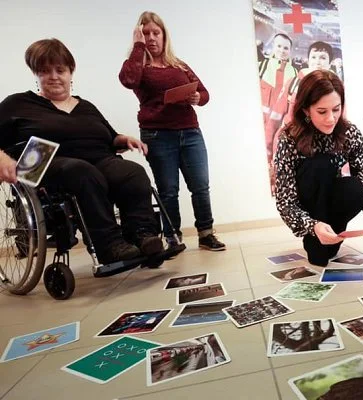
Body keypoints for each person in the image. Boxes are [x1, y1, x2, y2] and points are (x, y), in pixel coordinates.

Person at [0, 38, 163, 264]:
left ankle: (142, 236)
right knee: (81, 171)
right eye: (45, 71)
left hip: (97, 160)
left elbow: (110, 136)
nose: (54, 76)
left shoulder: (85, 106)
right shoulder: (17, 103)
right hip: (41, 162)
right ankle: (108, 245)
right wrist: (2, 158)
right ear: (36, 74)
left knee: (132, 172)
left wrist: (123, 139)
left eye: (60, 70)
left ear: (70, 73)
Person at [119, 11, 225, 251]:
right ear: (138, 37)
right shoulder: (137, 66)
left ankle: (206, 234)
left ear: (165, 35)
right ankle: (172, 237)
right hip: (157, 136)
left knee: (200, 186)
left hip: (190, 133)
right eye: (145, 34)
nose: (152, 38)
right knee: (168, 191)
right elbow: (128, 80)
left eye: (156, 33)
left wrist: (198, 97)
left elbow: (204, 93)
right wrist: (137, 47)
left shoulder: (178, 64)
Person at [274, 70, 363, 267]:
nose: (331, 119)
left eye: (336, 109)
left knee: (354, 186)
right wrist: (313, 225)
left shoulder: (349, 132)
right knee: (320, 164)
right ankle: (318, 235)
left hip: (332, 202)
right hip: (309, 206)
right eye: (322, 111)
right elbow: (285, 200)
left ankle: (332, 231)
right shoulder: (289, 138)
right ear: (306, 110)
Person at [265, 41, 334, 192]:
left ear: (330, 62)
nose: (317, 61)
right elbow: (274, 120)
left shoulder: (335, 89)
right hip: (290, 148)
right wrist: (269, 155)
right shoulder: (293, 83)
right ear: (308, 60)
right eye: (314, 57)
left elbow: (341, 125)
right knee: (290, 197)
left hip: (320, 153)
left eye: (323, 57)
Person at [259, 33, 298, 126]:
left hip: (281, 125)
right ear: (273, 46)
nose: (282, 50)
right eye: (279, 46)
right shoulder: (261, 66)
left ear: (290, 50)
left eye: (285, 48)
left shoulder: (295, 72)